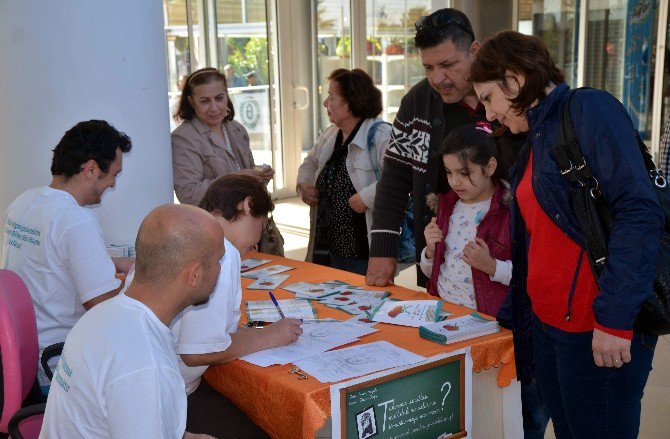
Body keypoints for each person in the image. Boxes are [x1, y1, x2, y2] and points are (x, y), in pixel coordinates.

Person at [471, 30, 663, 438]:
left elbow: (637, 210)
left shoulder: (588, 109)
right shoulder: (532, 142)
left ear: (515, 78)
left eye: (489, 98)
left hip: (599, 333)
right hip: (550, 330)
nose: (488, 115)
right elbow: (537, 244)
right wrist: (514, 323)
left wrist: (613, 320)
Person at [365, 8, 523, 288]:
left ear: (474, 50)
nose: (438, 78)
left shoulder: (509, 98)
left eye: (448, 64)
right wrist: (382, 248)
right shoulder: (417, 103)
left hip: (504, 261)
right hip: (438, 257)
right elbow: (394, 179)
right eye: (428, 67)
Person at [40, 204, 223, 439]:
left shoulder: (105, 314)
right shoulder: (146, 365)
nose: (220, 269)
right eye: (219, 259)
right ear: (195, 274)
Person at [2, 120, 133, 392]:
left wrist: (114, 262)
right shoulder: (76, 219)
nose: (112, 184)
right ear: (91, 169)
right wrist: (142, 280)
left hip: (22, 356)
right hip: (58, 368)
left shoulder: (24, 202)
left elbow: (50, 263)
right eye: (113, 175)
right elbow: (103, 305)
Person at [175, 174, 302, 437]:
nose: (256, 243)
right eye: (262, 224)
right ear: (246, 205)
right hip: (173, 397)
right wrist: (270, 335)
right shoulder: (222, 250)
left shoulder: (182, 232)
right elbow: (197, 352)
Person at [297, 68, 391, 275]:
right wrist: (303, 185)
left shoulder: (382, 135)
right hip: (325, 246)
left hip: (360, 252)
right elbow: (310, 162)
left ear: (350, 103)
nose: (325, 103)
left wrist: (365, 198)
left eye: (331, 97)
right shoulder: (332, 134)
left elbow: (398, 179)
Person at [420, 122, 512, 317]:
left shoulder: (510, 210)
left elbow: (530, 276)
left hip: (488, 323)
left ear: (490, 166)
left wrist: (492, 266)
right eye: (449, 172)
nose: (454, 182)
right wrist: (430, 251)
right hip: (443, 314)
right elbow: (431, 272)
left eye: (464, 173)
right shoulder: (446, 207)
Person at [172, 67, 275, 206]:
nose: (214, 108)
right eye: (204, 101)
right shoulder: (183, 138)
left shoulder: (237, 129)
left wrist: (258, 176)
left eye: (219, 98)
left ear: (227, 96)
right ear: (191, 101)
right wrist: (236, 179)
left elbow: (243, 170)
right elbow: (189, 194)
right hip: (212, 224)